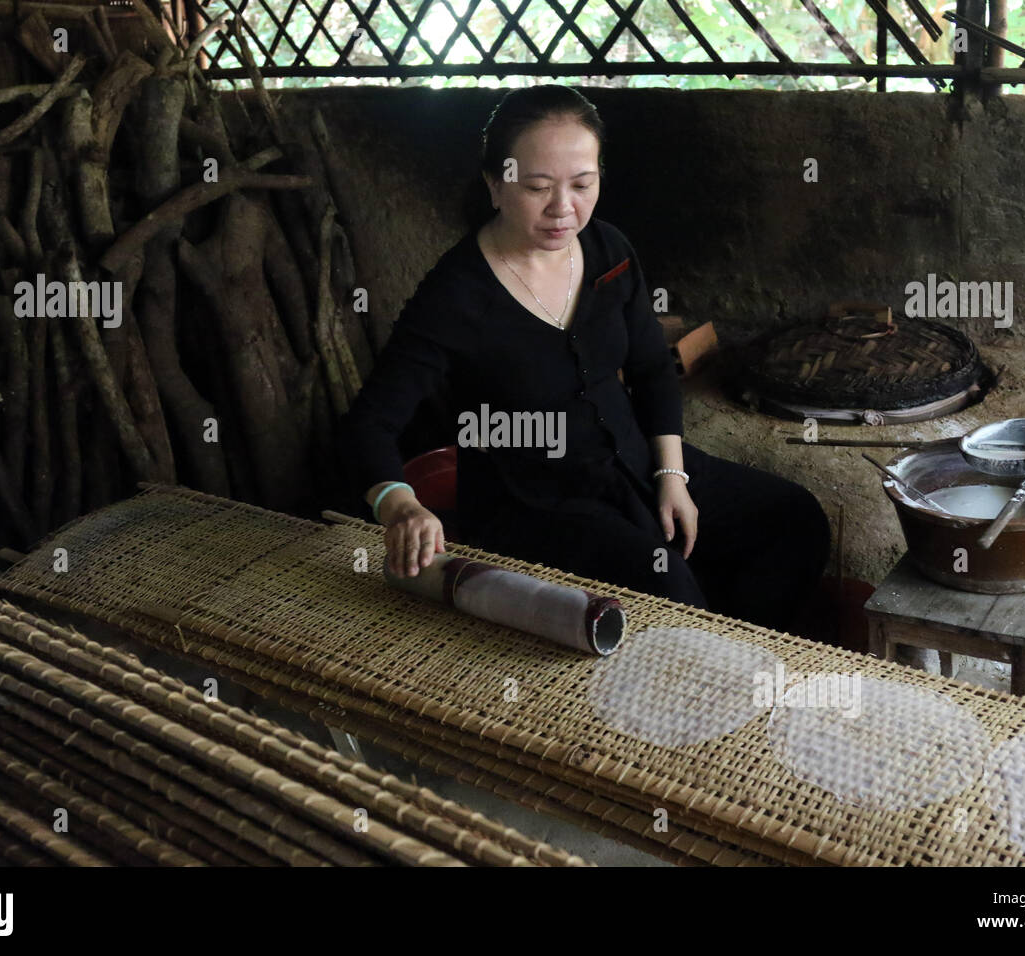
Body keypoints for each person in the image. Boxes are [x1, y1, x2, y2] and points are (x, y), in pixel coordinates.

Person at [337, 85, 829, 634]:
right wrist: (399, 505)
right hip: (537, 501)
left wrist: (672, 474)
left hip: (635, 463)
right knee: (668, 591)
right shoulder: (456, 295)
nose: (563, 209)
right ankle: (699, 654)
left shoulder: (608, 250)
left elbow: (649, 370)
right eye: (538, 187)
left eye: (582, 184)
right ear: (494, 185)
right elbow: (370, 425)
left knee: (793, 519)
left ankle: (739, 653)